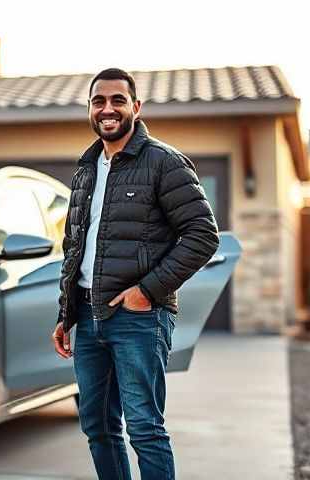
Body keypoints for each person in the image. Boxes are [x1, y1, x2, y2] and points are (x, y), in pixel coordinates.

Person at [51, 68, 219, 480]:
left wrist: (146, 291)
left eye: (117, 101)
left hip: (139, 319)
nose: (107, 109)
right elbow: (76, 247)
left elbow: (202, 235)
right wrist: (66, 313)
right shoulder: (86, 168)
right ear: (90, 109)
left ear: (135, 107)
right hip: (88, 321)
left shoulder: (163, 162)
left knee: (144, 428)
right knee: (98, 428)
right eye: (98, 101)